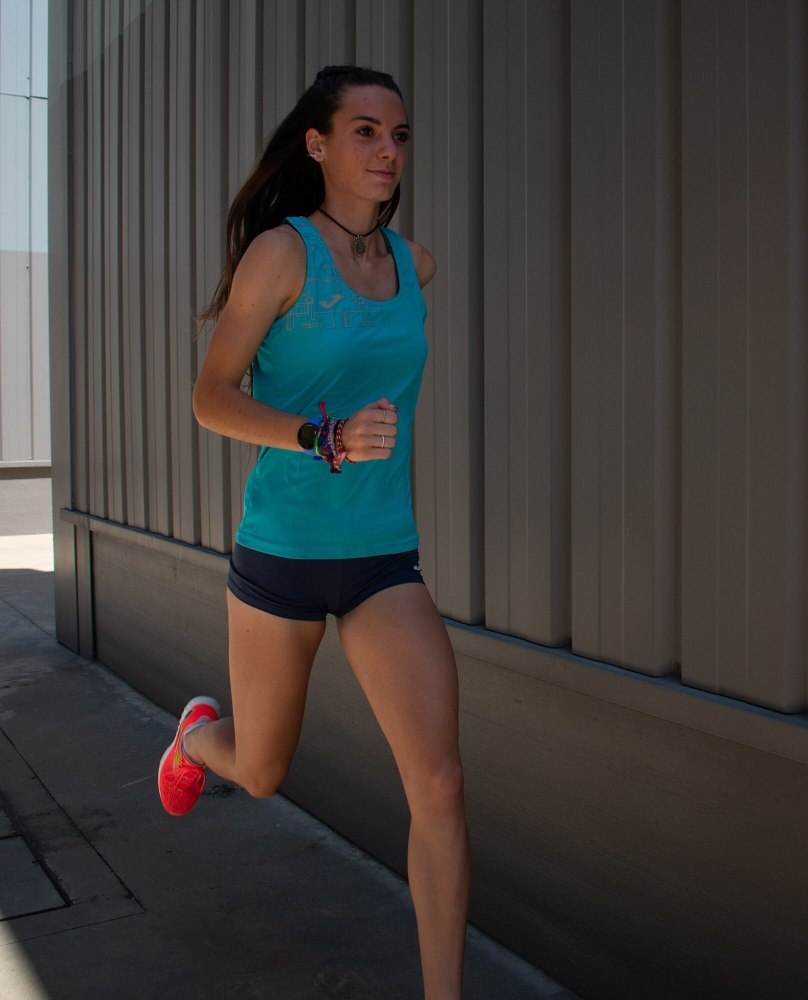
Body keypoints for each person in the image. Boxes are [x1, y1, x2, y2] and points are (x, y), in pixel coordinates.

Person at [156, 65, 469, 999]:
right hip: (284, 555)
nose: (387, 151)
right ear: (319, 146)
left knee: (442, 785)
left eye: (400, 135)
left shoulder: (416, 266)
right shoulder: (280, 257)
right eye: (366, 131)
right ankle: (191, 740)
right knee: (259, 771)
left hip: (381, 559)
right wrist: (321, 435)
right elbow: (212, 399)